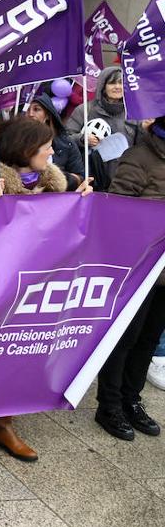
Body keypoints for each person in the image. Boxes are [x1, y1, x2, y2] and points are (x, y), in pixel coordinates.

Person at [0, 116, 92, 462]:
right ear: (25, 149)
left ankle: (3, 422)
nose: (51, 151)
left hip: (33, 287)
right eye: (44, 146)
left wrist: (78, 201)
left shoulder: (50, 184)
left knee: (20, 353)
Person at [98, 116, 165, 438]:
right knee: (125, 339)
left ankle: (131, 400)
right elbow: (119, 210)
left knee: (149, 339)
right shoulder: (140, 157)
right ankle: (109, 405)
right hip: (141, 265)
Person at [23, 96, 92, 190]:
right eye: (27, 109)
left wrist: (58, 178)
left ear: (47, 114)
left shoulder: (66, 143)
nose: (30, 114)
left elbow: (80, 177)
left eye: (36, 109)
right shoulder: (12, 142)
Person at [65, 66, 140, 150]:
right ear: (103, 86)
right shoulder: (84, 110)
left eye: (121, 83)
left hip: (125, 162)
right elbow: (66, 139)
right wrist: (82, 139)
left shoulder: (134, 111)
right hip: (91, 162)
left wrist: (145, 129)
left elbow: (142, 145)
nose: (117, 87)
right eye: (112, 83)